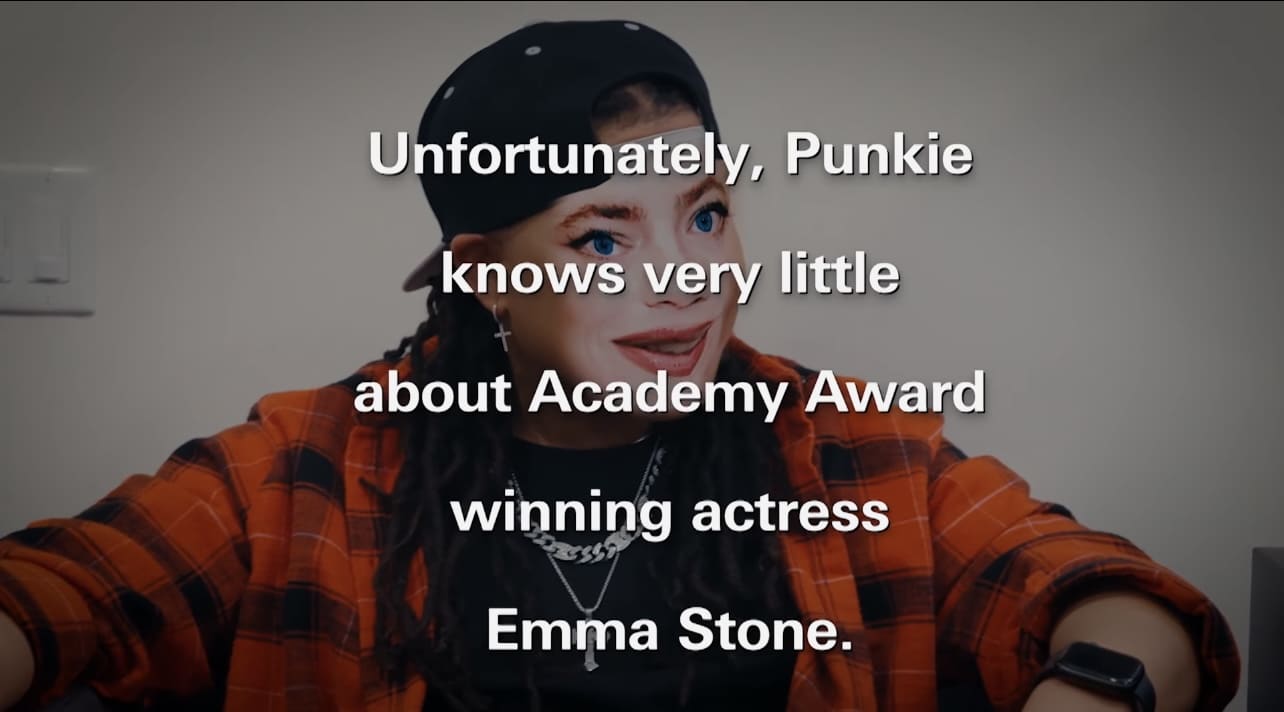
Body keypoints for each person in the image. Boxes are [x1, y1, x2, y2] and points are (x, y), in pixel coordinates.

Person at [0, 18, 1241, 712]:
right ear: (485, 274)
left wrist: (1096, 684)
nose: (686, 278)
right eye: (604, 236)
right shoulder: (309, 466)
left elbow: (1118, 596)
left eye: (707, 215)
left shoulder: (848, 451)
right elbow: (60, 589)